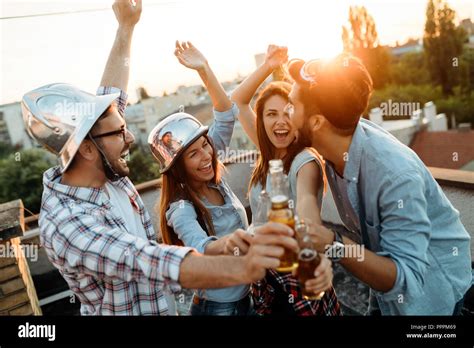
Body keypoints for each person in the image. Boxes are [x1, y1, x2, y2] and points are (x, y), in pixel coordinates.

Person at [21, 0, 298, 316]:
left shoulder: (100, 162)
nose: (129, 138)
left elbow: (113, 99)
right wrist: (251, 263)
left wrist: (125, 27)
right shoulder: (66, 221)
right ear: (86, 148)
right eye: (120, 133)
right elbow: (145, 259)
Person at [286, 54, 472, 315]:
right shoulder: (338, 137)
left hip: (432, 294)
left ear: (317, 122)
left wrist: (332, 243)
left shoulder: (395, 175)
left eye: (292, 106)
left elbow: (404, 280)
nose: (285, 112)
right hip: (386, 288)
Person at [230, 45, 340, 316]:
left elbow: (307, 211)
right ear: (262, 121)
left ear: (297, 117)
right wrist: (269, 66)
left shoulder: (304, 161)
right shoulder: (268, 154)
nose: (280, 121)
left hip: (298, 277)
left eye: (287, 112)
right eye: (271, 113)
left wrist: (315, 256)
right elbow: (238, 101)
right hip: (266, 277)